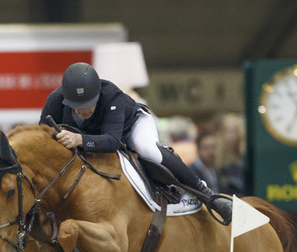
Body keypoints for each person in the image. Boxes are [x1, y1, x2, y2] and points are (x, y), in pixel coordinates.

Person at [40, 62, 231, 222]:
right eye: (77, 107)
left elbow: (112, 141)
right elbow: (43, 138)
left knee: (148, 150)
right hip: (93, 138)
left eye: (90, 103)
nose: (84, 110)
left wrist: (78, 138)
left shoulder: (111, 95)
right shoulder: (55, 101)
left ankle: (206, 194)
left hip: (131, 127)